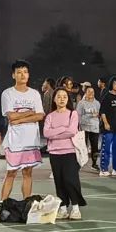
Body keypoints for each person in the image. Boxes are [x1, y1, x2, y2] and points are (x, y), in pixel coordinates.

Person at [0, 60, 45, 220]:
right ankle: (1, 205)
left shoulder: (35, 94)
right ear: (13, 75)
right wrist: (29, 113)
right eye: (19, 72)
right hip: (15, 141)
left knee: (28, 173)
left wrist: (20, 119)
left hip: (31, 141)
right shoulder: (8, 93)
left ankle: (26, 206)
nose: (22, 75)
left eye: (25, 72)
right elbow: (11, 116)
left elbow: (40, 115)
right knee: (11, 172)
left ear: (28, 74)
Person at [43, 86, 86, 220]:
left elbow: (72, 131)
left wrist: (55, 132)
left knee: (70, 180)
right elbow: (46, 133)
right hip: (54, 153)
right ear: (54, 99)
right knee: (59, 181)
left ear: (68, 99)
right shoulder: (50, 116)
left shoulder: (73, 114)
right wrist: (63, 128)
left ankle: (75, 208)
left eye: (65, 97)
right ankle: (63, 208)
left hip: (70, 152)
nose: (62, 99)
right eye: (59, 97)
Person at [77, 83, 101, 167]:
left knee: (95, 146)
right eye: (89, 92)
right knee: (83, 145)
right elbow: (78, 115)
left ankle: (94, 163)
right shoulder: (81, 103)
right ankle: (81, 161)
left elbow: (100, 114)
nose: (91, 93)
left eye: (92, 92)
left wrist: (97, 115)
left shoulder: (97, 103)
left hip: (94, 127)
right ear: (86, 93)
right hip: (84, 127)